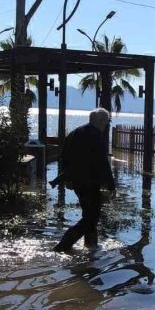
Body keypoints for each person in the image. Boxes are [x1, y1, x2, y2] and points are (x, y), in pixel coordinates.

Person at [54, 107, 115, 253]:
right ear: (101, 121)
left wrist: (67, 178)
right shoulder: (97, 136)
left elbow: (63, 157)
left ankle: (91, 246)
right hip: (91, 183)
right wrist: (111, 185)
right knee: (92, 217)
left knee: (88, 213)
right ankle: (63, 245)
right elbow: (103, 162)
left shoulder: (75, 133)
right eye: (106, 122)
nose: (106, 125)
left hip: (77, 182)